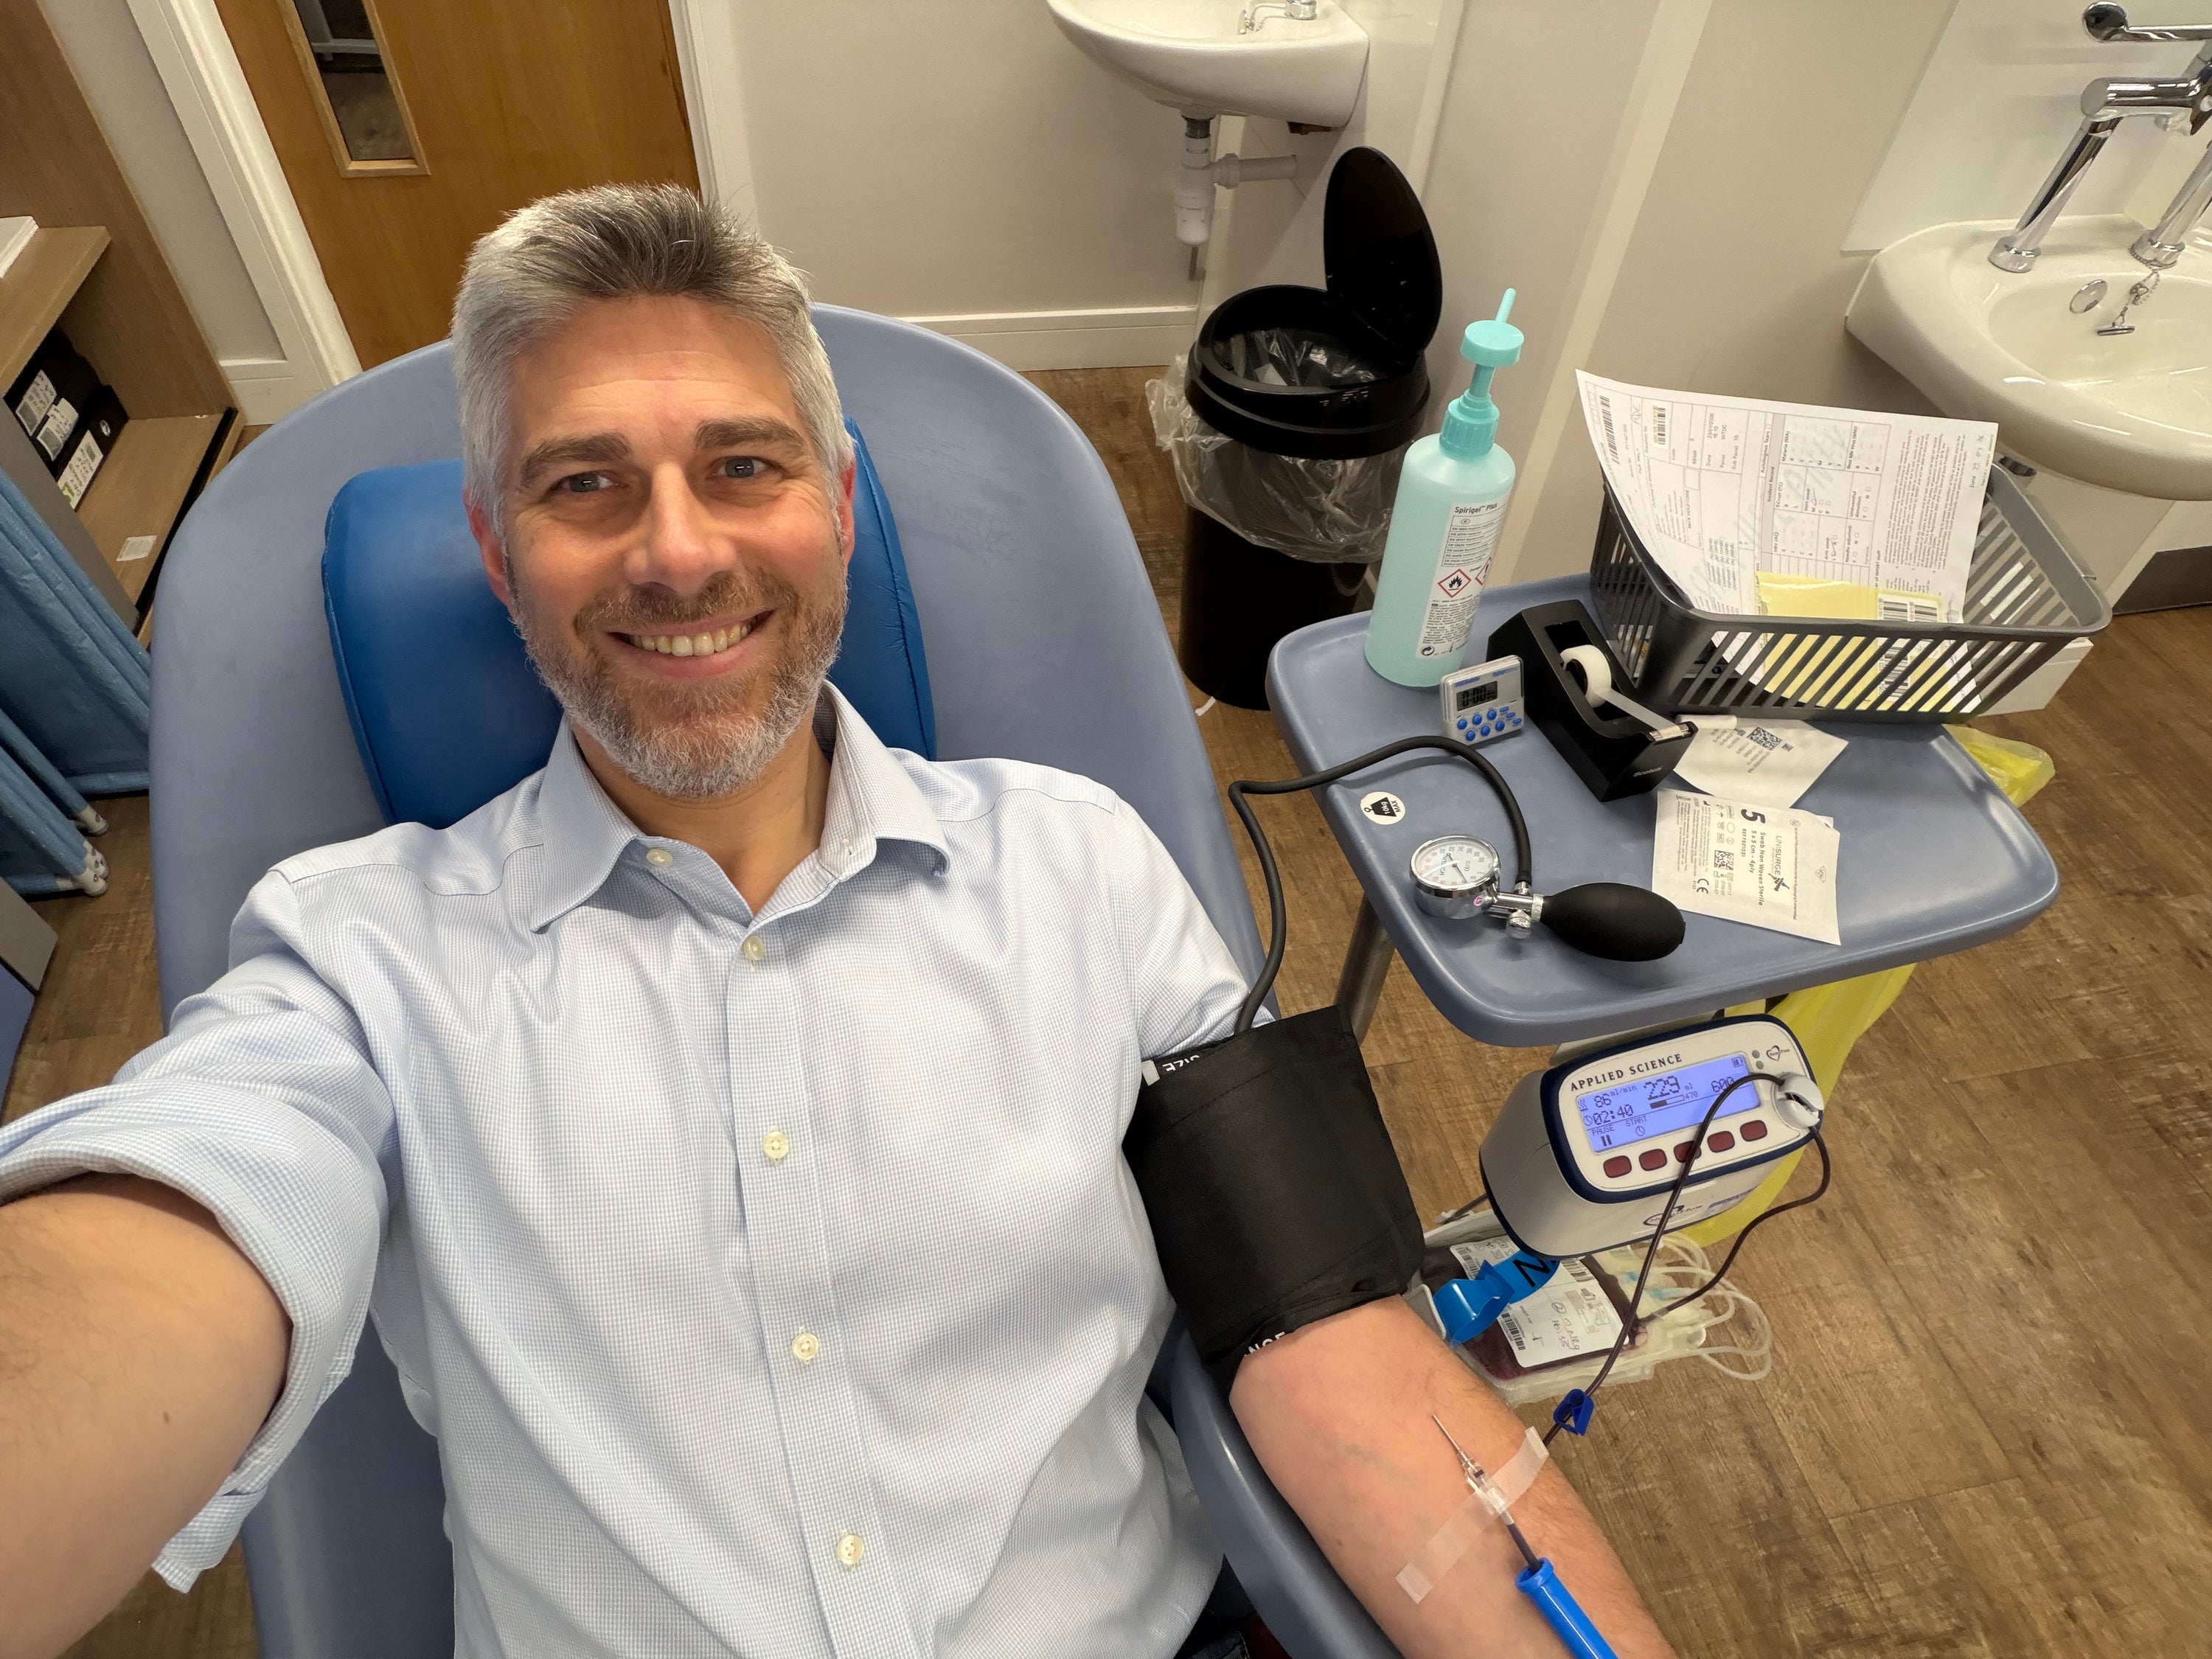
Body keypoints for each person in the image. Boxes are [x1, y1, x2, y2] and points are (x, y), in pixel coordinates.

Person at [0, 185, 1672, 1659]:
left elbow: (1340, 1343)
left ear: (840, 508)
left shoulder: (1080, 871)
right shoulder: (362, 959)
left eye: (744, 466)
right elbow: (177, 1222)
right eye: (584, 484)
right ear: (497, 554)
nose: (676, 550)